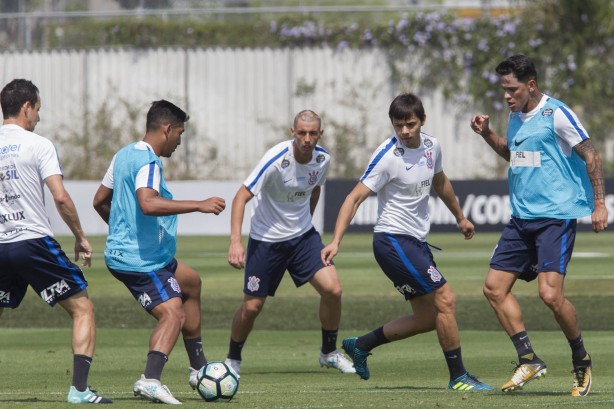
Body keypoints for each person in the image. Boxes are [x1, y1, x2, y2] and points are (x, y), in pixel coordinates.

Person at [321, 93, 492, 391]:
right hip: (392, 240)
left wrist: (460, 217)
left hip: (415, 242)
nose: (404, 131)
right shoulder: (387, 156)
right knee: (446, 300)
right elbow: (353, 197)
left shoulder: (432, 145)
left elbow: (440, 181)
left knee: (429, 317)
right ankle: (460, 377)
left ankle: (361, 345)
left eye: (410, 124)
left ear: (422, 120)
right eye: (398, 125)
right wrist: (336, 241)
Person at [470, 54, 608, 397]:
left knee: (549, 294)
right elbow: (512, 154)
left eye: (512, 88)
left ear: (531, 85)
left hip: (555, 218)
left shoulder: (557, 113)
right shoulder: (515, 114)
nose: (506, 95)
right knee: (493, 288)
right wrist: (488, 134)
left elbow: (591, 154)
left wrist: (600, 203)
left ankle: (581, 360)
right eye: (504, 89)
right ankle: (528, 358)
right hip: (521, 219)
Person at [93, 100, 226, 404]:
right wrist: (199, 204)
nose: (180, 141)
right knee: (173, 313)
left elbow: (100, 200)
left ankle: (198, 368)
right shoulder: (150, 162)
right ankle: (150, 380)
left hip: (143, 254)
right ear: (167, 129)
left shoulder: (124, 154)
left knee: (191, 282)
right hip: (141, 261)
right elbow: (148, 203)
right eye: (180, 134)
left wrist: (122, 231)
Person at [0, 79, 112, 404]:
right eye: (38, 109)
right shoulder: (38, 144)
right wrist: (80, 236)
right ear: (26, 107)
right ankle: (79, 390)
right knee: (83, 308)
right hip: (32, 242)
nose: (38, 117)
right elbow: (60, 198)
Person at [225, 110, 355, 376]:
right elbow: (241, 196)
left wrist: (306, 220)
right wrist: (236, 242)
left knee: (333, 290)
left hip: (303, 238)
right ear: (292, 132)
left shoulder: (323, 159)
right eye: (302, 133)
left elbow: (315, 187)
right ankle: (232, 359)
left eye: (312, 133)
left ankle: (328, 353)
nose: (307, 139)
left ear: (321, 134)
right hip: (266, 241)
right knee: (252, 307)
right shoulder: (275, 159)